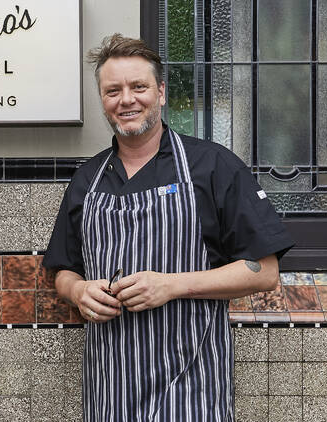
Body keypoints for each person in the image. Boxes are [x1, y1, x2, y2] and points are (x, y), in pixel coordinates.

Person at [43, 34, 294, 421]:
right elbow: (62, 269)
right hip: (109, 390)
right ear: (104, 101)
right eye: (113, 91)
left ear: (160, 93)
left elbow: (264, 272)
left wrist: (171, 285)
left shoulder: (213, 166)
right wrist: (78, 290)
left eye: (138, 87)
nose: (126, 99)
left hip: (190, 388)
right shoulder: (87, 179)